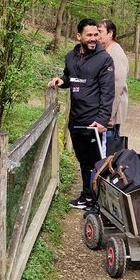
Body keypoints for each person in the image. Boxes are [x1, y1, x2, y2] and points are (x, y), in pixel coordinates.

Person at [48, 18, 115, 209]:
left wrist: (102, 120)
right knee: (83, 161)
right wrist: (61, 80)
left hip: (94, 123)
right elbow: (70, 77)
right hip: (75, 120)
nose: (94, 39)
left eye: (96, 35)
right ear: (79, 36)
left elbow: (108, 92)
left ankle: (100, 202)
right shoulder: (70, 56)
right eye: (90, 35)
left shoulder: (104, 59)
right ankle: (87, 197)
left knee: (98, 163)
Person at [97, 19, 129, 136]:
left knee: (108, 150)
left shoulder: (115, 54)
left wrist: (107, 115)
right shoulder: (105, 52)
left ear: (110, 33)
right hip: (104, 112)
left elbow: (116, 86)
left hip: (111, 114)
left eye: (100, 31)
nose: (97, 35)